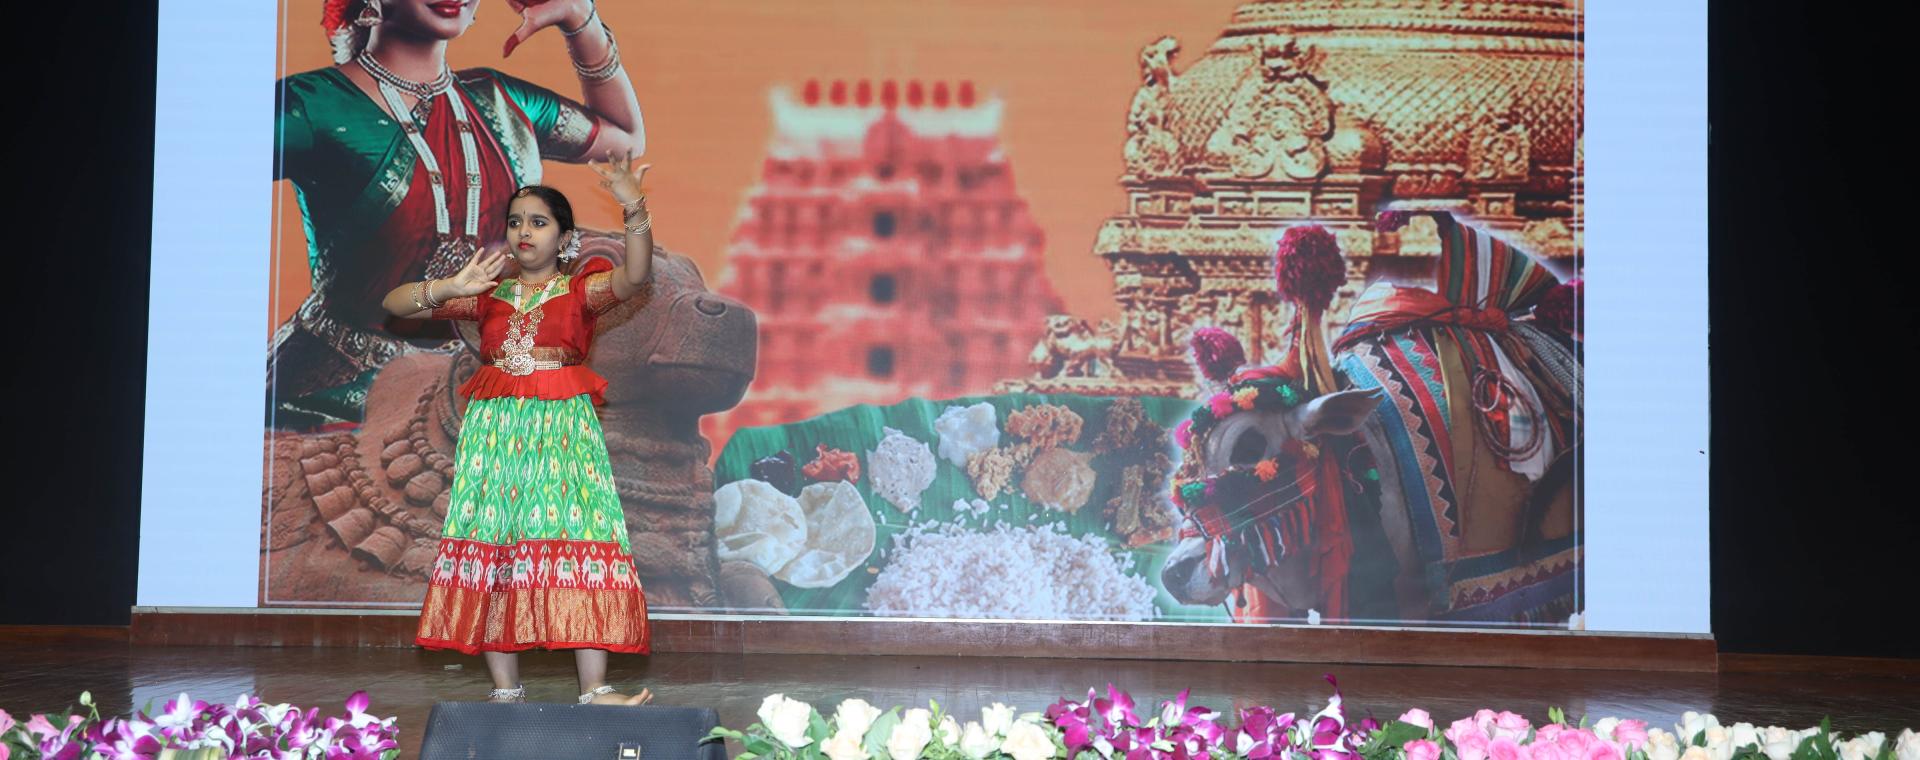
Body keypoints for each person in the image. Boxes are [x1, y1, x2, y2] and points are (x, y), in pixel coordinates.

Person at [273, 0, 646, 429]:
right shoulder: (310, 106)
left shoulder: (502, 101)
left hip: (484, 394)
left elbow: (626, 141)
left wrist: (579, 19)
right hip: (332, 402)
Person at [393, 153, 658, 705]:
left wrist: (633, 206)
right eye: (515, 222)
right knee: (496, 544)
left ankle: (595, 689)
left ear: (564, 237)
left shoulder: (580, 291)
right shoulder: (486, 294)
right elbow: (393, 304)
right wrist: (445, 287)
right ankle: (505, 692)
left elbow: (636, 276)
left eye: (538, 222)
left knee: (580, 538)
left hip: (563, 432)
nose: (523, 232)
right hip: (495, 435)